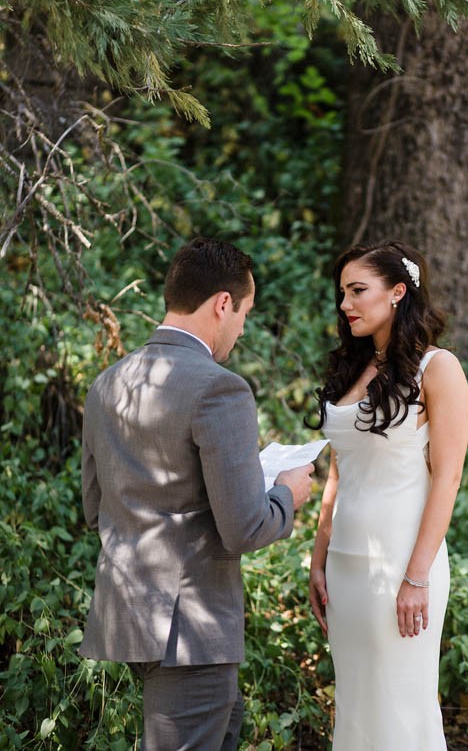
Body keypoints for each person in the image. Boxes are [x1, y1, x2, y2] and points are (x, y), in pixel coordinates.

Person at [80, 237, 314, 751]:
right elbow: (244, 528)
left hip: (131, 615)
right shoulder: (218, 388)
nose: (242, 328)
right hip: (191, 629)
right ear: (222, 304)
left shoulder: (107, 384)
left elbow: (94, 505)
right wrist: (284, 494)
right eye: (245, 312)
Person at [308, 240, 468, 750]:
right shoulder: (353, 368)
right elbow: (339, 471)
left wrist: (417, 577)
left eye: (358, 291)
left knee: (402, 704)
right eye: (342, 293)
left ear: (398, 292)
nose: (345, 304)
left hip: (404, 564)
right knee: (356, 707)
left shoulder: (438, 369)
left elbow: (447, 478)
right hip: (346, 568)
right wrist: (318, 557)